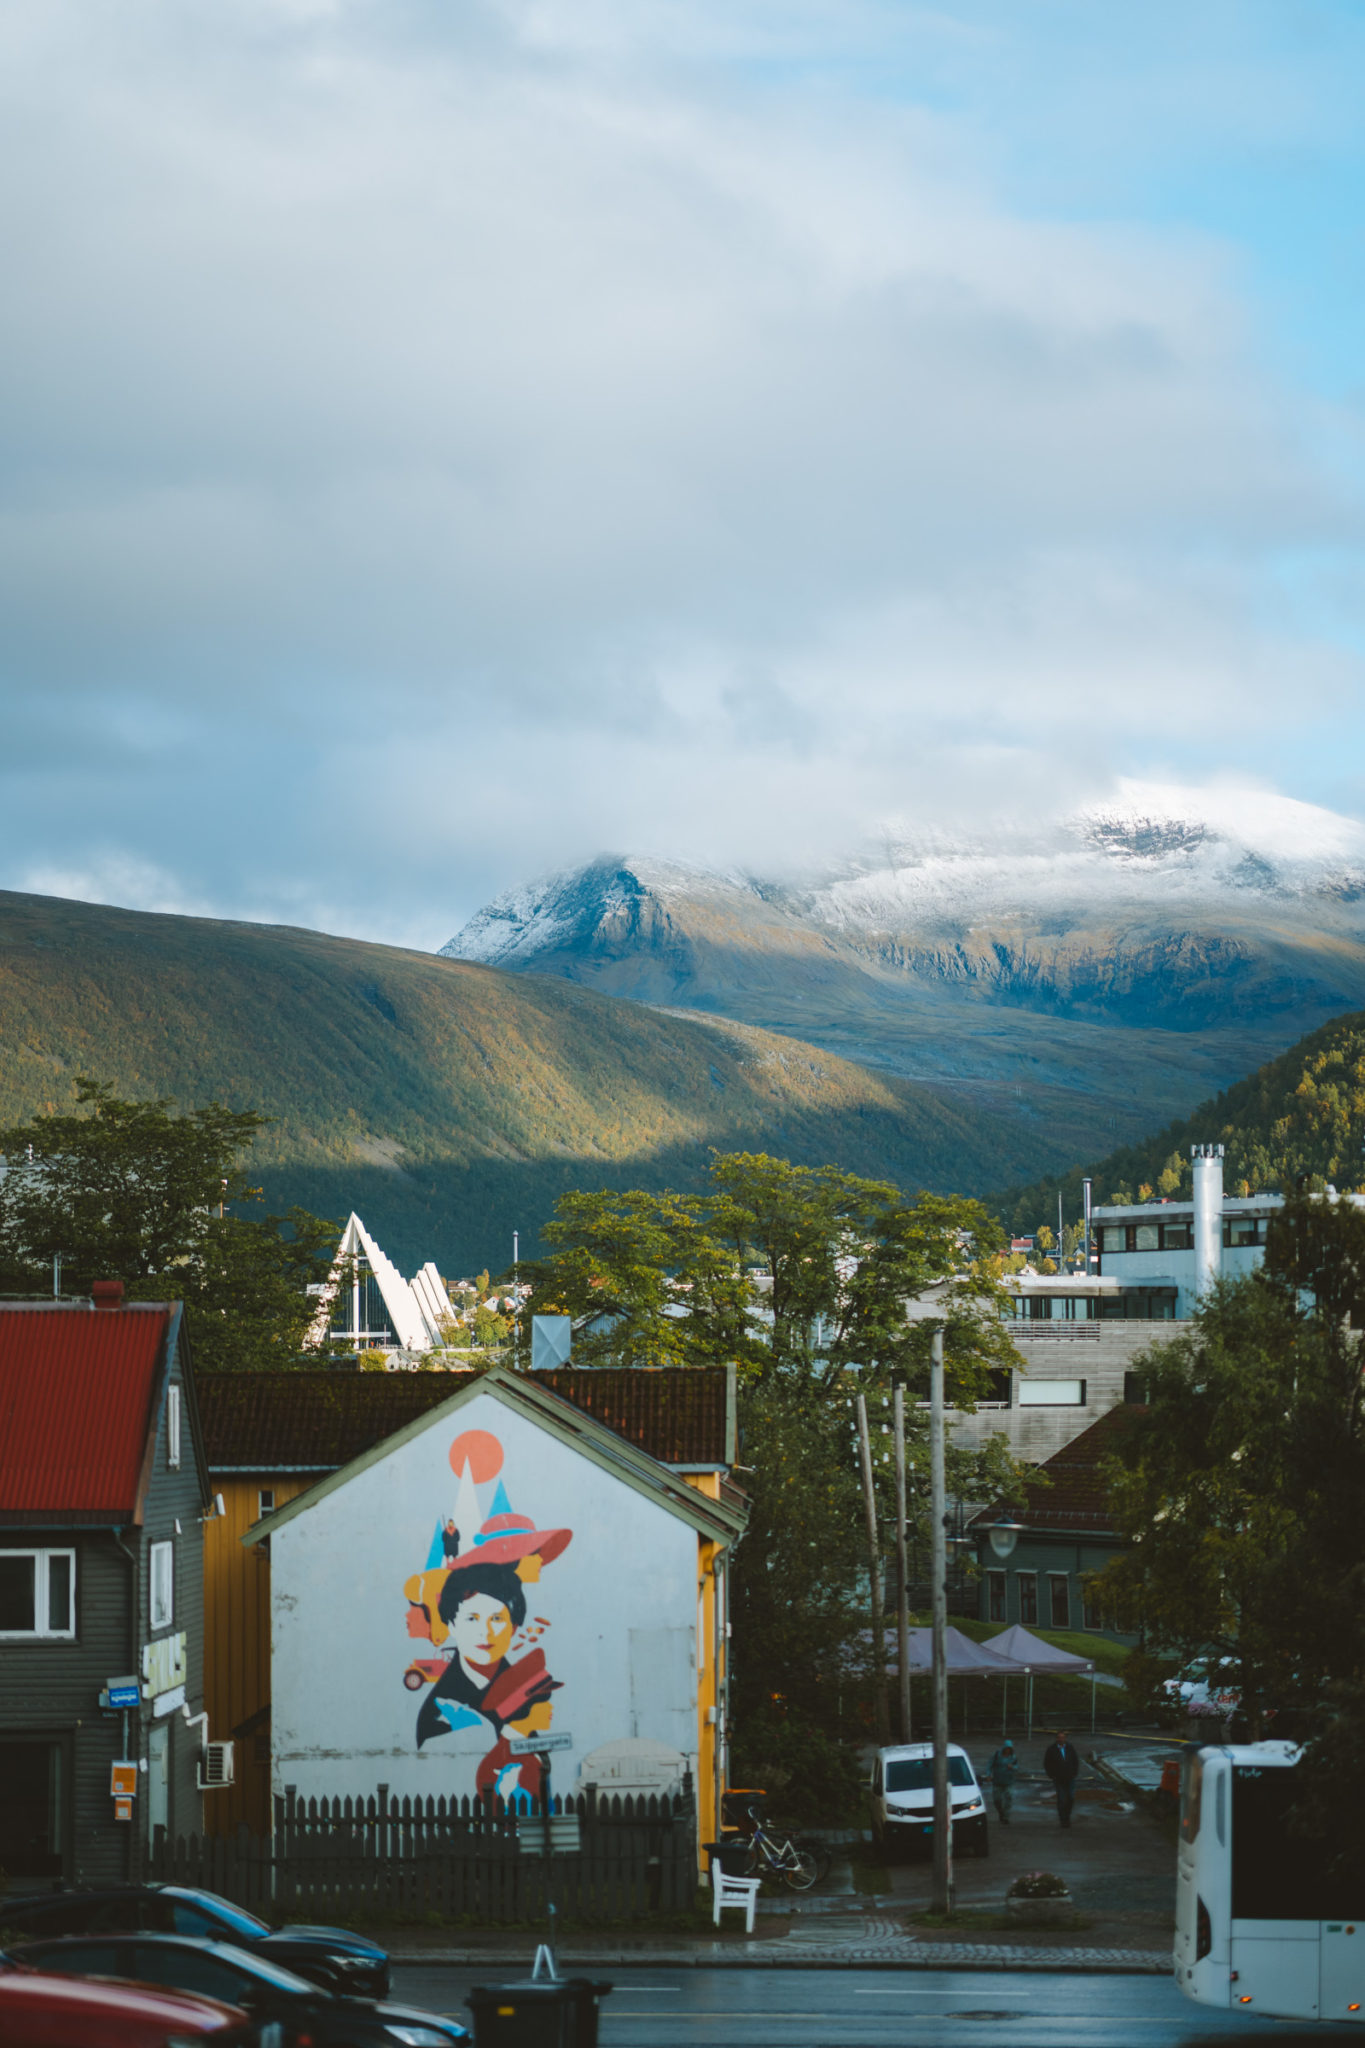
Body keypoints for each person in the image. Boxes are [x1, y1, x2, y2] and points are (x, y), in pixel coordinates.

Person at [1043, 1729, 1081, 1828]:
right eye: (1059, 1737)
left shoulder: (1069, 1747)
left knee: (1071, 1797)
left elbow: (1075, 1760)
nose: (1061, 1739)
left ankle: (1067, 1816)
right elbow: (1047, 1763)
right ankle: (1063, 1819)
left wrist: (1074, 1772)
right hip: (1058, 1778)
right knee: (1062, 1799)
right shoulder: (1051, 1749)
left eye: (1063, 1737)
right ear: (1056, 1738)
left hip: (1070, 1777)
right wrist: (1051, 1775)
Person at [986, 1739, 1018, 1824]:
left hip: (1009, 1782)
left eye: (1009, 1749)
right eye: (1007, 1748)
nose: (1008, 1750)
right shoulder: (997, 1755)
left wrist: (1012, 1767)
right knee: (997, 1800)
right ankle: (1001, 1812)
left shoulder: (1013, 1757)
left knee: (1009, 1798)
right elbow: (989, 1765)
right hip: (997, 1782)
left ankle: (1006, 1816)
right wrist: (988, 1774)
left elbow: (1017, 1767)